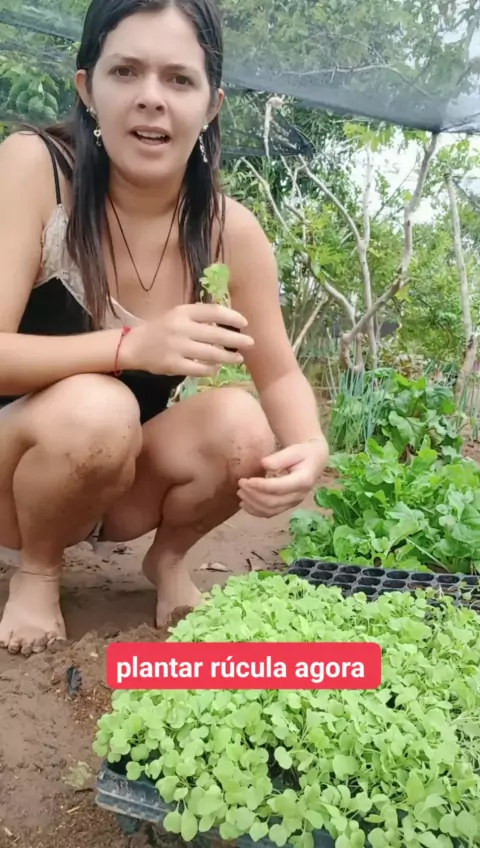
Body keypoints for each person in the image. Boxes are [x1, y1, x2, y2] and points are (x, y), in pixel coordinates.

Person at [0, 0, 329, 657]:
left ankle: (168, 558)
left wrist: (310, 445)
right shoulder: (36, 170)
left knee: (243, 425)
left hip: (115, 481)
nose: (151, 97)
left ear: (211, 105)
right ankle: (37, 571)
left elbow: (279, 374)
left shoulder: (229, 231)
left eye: (179, 79)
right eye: (126, 72)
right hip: (12, 475)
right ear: (87, 88)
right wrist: (131, 346)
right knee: (99, 405)